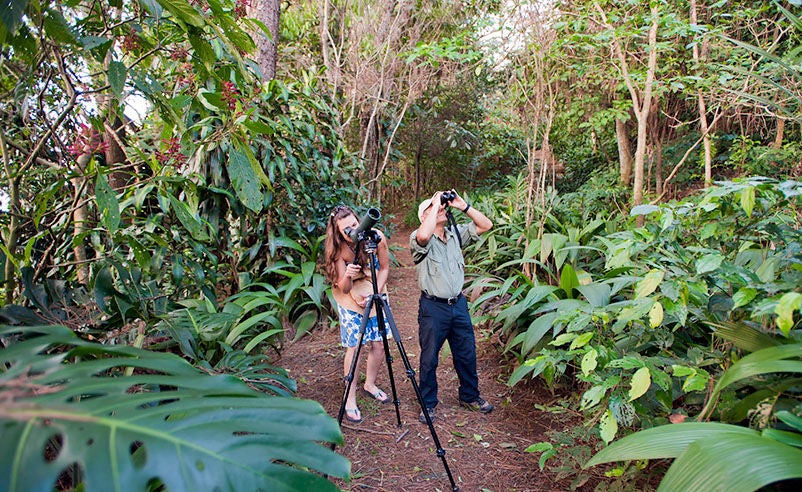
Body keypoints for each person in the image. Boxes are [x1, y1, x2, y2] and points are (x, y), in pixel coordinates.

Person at [410, 190, 494, 423]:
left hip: (458, 305)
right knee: (429, 358)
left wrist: (462, 205)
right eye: (433, 208)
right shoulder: (418, 238)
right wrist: (435, 202)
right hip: (433, 308)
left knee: (466, 353)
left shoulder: (455, 234)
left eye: (440, 206)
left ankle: (469, 396)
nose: (440, 208)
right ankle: (428, 404)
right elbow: (424, 237)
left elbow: (486, 225)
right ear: (424, 217)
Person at [324, 204, 392, 424]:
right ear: (338, 233)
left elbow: (384, 269)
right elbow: (343, 288)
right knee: (354, 347)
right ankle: (349, 397)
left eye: (355, 224)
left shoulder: (376, 237)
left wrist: (375, 293)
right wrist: (349, 276)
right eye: (347, 229)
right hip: (349, 294)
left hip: (374, 286)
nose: (353, 230)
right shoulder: (337, 250)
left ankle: (369, 384)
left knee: (379, 344)